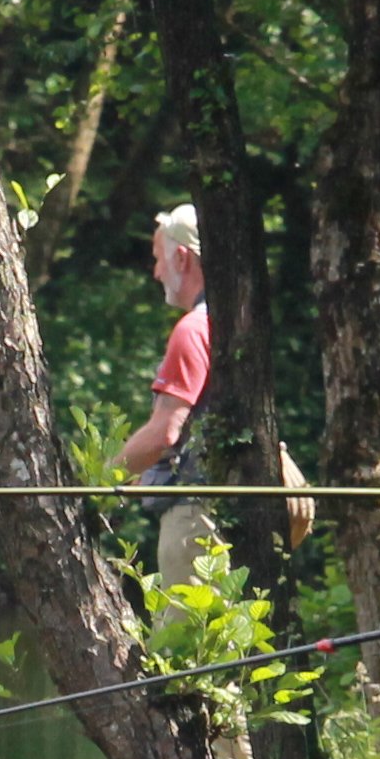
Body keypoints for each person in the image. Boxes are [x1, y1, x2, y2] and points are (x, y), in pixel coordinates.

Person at [117, 205, 217, 583]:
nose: (157, 272)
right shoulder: (236, 321)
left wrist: (97, 481)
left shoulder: (193, 329)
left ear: (181, 257)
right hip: (234, 515)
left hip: (195, 520)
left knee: (184, 642)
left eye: (158, 259)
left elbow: (164, 433)